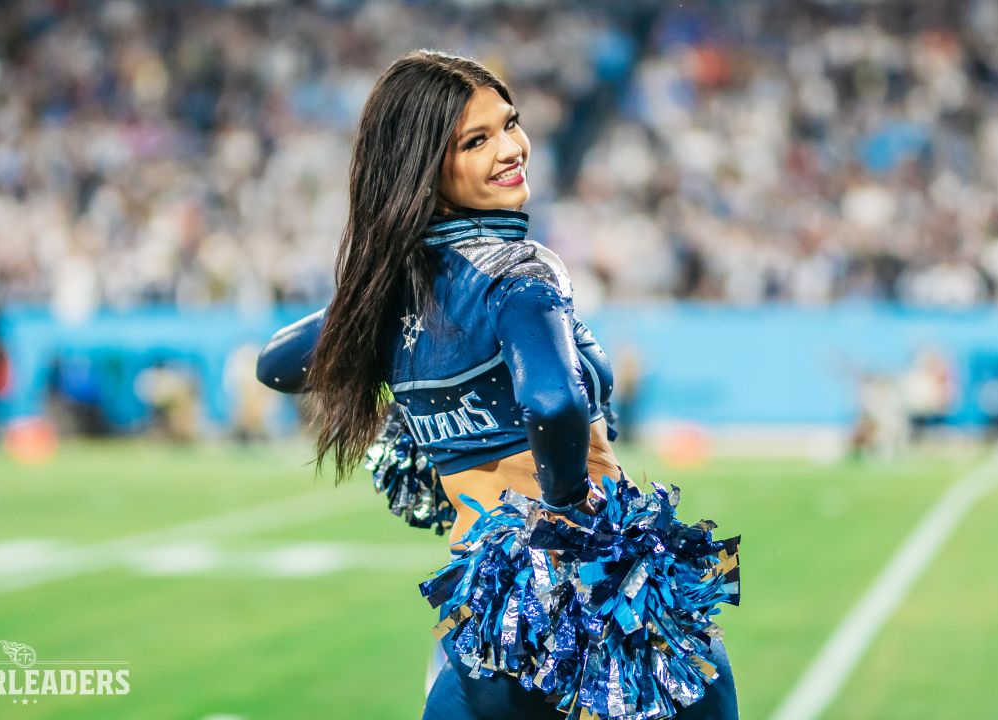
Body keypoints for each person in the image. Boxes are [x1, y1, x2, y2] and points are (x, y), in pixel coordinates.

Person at [256, 50, 739, 720]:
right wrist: (568, 518)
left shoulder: (394, 293)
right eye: (477, 141)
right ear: (427, 169)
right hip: (605, 615)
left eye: (510, 125)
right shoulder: (519, 272)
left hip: (486, 627)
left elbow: (277, 366)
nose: (512, 148)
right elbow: (554, 400)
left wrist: (379, 307)